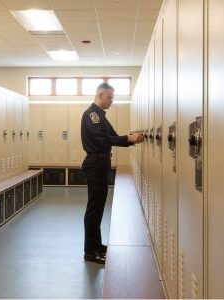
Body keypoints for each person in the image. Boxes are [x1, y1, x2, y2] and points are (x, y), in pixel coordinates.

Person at [81, 82, 144, 264]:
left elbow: (113, 137)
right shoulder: (92, 115)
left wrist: (131, 140)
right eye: (109, 97)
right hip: (95, 164)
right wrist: (128, 138)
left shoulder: (101, 116)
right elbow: (102, 140)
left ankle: (97, 245)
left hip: (101, 163)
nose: (111, 100)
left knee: (99, 207)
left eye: (112, 97)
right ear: (100, 95)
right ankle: (90, 251)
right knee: (94, 208)